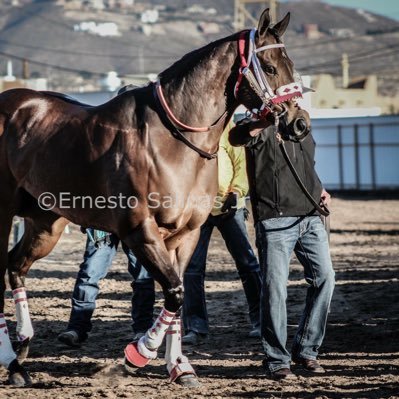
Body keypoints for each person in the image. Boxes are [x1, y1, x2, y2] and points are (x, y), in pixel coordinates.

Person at [229, 110, 335, 380]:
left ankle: (307, 350)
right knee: (275, 289)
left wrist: (319, 187)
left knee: (325, 279)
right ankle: (277, 359)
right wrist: (265, 121)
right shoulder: (255, 124)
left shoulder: (302, 123)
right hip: (275, 220)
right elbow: (237, 136)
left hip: (311, 215)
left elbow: (306, 164)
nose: (296, 101)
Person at [182, 127, 262, 345]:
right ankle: (195, 327)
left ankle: (261, 321)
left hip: (229, 207)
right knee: (192, 269)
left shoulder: (228, 130)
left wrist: (236, 191)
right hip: (199, 208)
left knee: (248, 264)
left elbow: (241, 163)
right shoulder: (191, 131)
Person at [57, 229, 155, 347]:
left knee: (143, 276)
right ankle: (77, 328)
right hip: (102, 224)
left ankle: (143, 329)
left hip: (135, 224)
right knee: (89, 273)